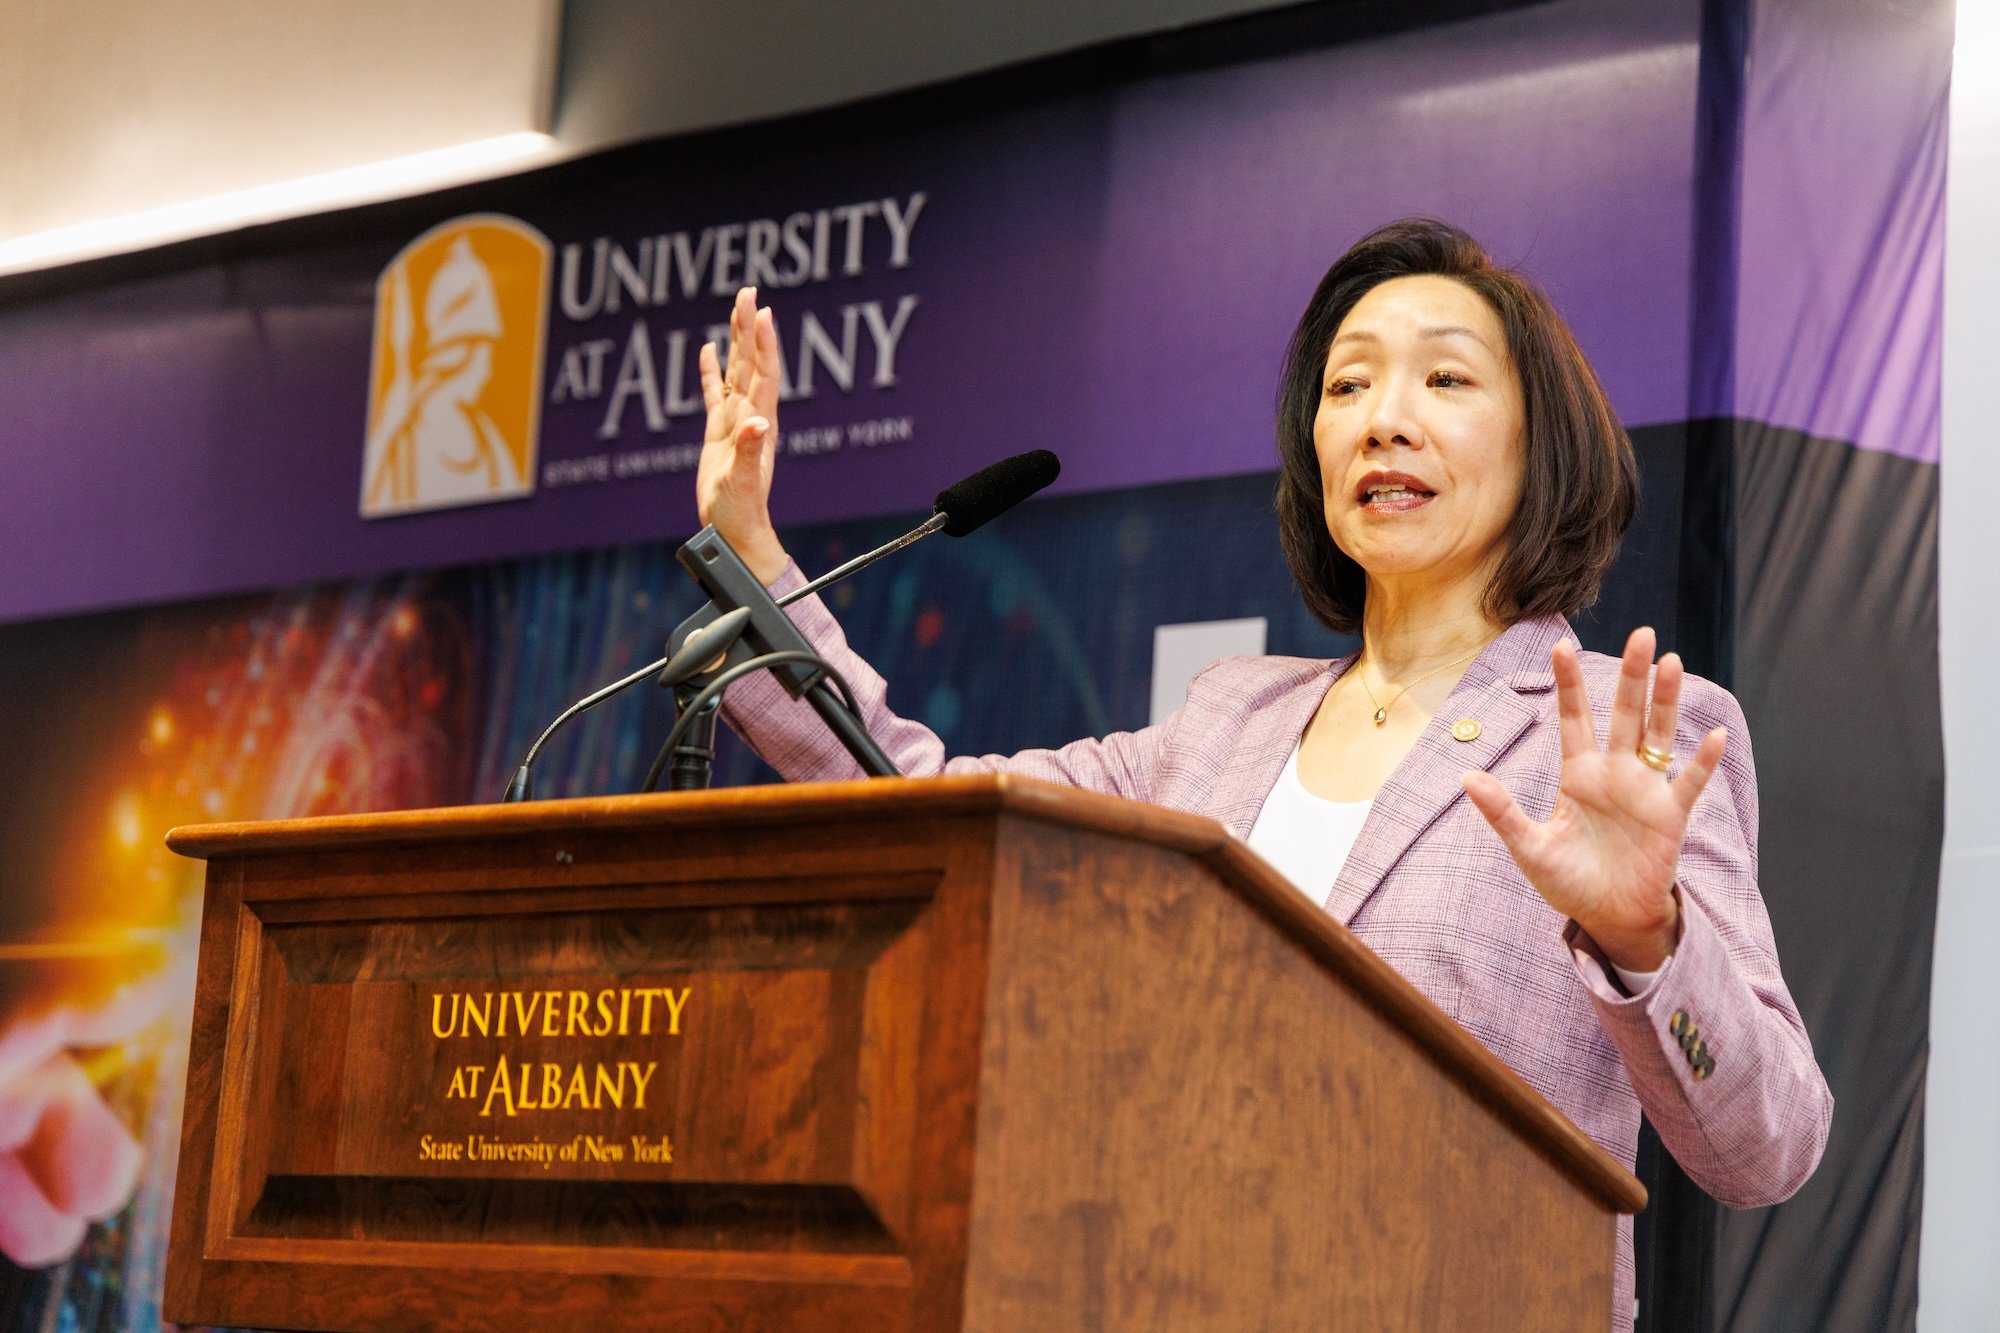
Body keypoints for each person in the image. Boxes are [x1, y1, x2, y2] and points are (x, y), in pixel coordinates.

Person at [691, 219, 1831, 1331]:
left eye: (1443, 381)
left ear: (1542, 445)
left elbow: (1763, 1146)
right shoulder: (1222, 720)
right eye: (1346, 389)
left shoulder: (1628, 742)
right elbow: (932, 804)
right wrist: (753, 565)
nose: (1384, 421)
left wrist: (1649, 937)